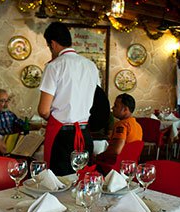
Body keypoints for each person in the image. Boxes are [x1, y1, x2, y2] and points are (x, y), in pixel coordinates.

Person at [38, 21, 100, 175]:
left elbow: (43, 110)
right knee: (81, 179)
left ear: (52, 44)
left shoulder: (54, 66)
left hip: (62, 135)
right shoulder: (91, 66)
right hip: (85, 134)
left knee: (59, 182)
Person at [96, 93, 142, 163]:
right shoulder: (138, 126)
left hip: (117, 164)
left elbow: (116, 150)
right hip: (131, 164)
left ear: (125, 109)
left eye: (116, 106)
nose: (112, 108)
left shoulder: (122, 125)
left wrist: (99, 156)